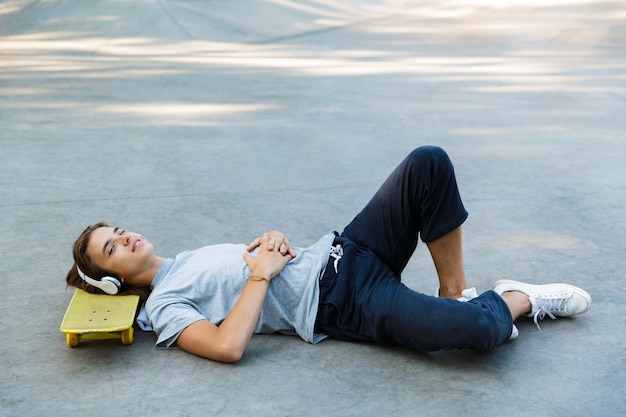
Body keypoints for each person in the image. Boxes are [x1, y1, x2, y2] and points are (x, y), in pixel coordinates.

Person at [65, 146, 591, 363]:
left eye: (119, 229)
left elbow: (253, 261)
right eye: (112, 247)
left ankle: (457, 292)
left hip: (343, 250)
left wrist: (270, 239)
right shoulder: (164, 308)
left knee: (427, 162)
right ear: (110, 282)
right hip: (345, 303)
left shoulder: (184, 259)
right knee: (476, 335)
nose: (127, 236)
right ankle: (516, 298)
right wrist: (260, 278)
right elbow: (227, 347)